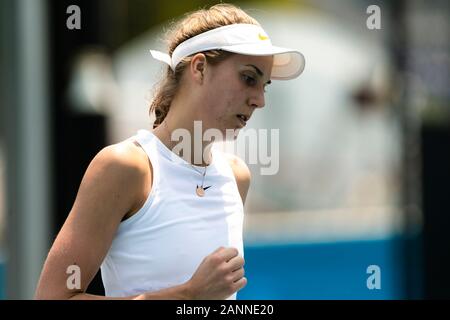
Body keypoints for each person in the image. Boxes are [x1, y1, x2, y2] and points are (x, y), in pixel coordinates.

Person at [35, 3, 304, 300]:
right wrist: (188, 294)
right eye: (248, 78)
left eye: (265, 85)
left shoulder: (237, 176)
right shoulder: (125, 167)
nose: (259, 100)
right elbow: (53, 296)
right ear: (199, 68)